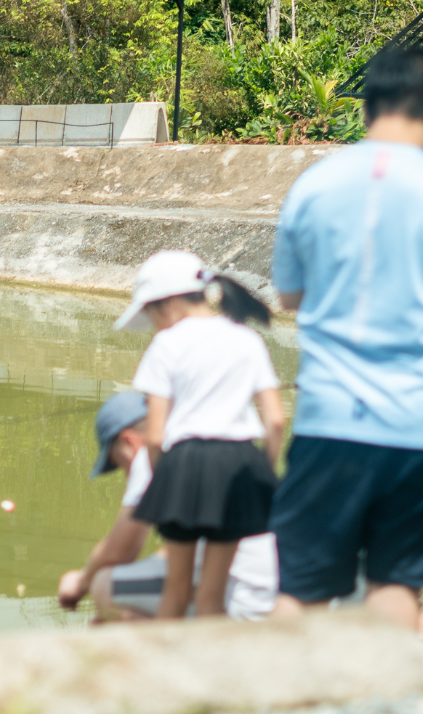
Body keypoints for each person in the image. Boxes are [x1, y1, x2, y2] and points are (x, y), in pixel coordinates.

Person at [268, 45, 423, 643]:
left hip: (331, 424)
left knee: (298, 590)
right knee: (397, 586)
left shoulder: (313, 185)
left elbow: (289, 298)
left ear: (367, 105)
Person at [116, 250, 284, 620]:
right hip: (241, 461)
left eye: (151, 314)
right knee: (212, 595)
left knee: (175, 593)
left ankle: (170, 674)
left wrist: (167, 482)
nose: (154, 324)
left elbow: (156, 437)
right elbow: (275, 421)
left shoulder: (166, 344)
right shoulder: (246, 339)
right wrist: (259, 472)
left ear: (167, 304)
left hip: (184, 462)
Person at [57, 390, 281, 622]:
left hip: (243, 598)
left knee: (104, 585)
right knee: (106, 621)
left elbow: (120, 551)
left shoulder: (153, 455)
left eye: (119, 463)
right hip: (277, 587)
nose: (125, 474)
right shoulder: (210, 442)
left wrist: (80, 583)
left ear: (130, 441)